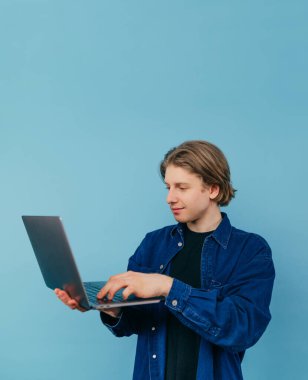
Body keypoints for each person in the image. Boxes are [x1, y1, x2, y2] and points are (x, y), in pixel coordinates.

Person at [55, 140, 275, 380]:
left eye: (181, 187)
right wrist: (112, 308)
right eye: (168, 187)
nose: (170, 198)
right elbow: (136, 322)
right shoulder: (153, 244)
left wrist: (167, 286)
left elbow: (242, 328)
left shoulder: (250, 250)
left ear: (213, 189)